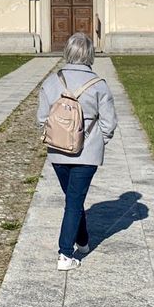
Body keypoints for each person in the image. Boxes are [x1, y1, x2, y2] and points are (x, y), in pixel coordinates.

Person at [37, 31, 117, 271]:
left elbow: (42, 119)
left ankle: (82, 240)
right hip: (87, 154)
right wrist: (96, 142)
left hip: (57, 152)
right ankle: (64, 253)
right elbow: (109, 123)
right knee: (74, 201)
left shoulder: (52, 82)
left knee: (73, 198)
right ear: (90, 55)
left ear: (67, 53)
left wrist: (54, 138)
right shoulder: (99, 85)